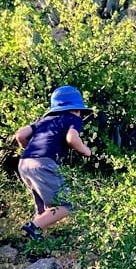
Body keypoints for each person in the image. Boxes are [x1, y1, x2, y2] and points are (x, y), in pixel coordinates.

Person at [12, 85, 93, 240]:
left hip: (24, 162)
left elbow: (20, 135)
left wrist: (30, 150)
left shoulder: (44, 120)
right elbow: (72, 139)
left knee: (43, 207)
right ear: (77, 109)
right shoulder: (73, 118)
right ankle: (33, 227)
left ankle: (31, 239)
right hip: (44, 163)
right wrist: (86, 151)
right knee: (67, 204)